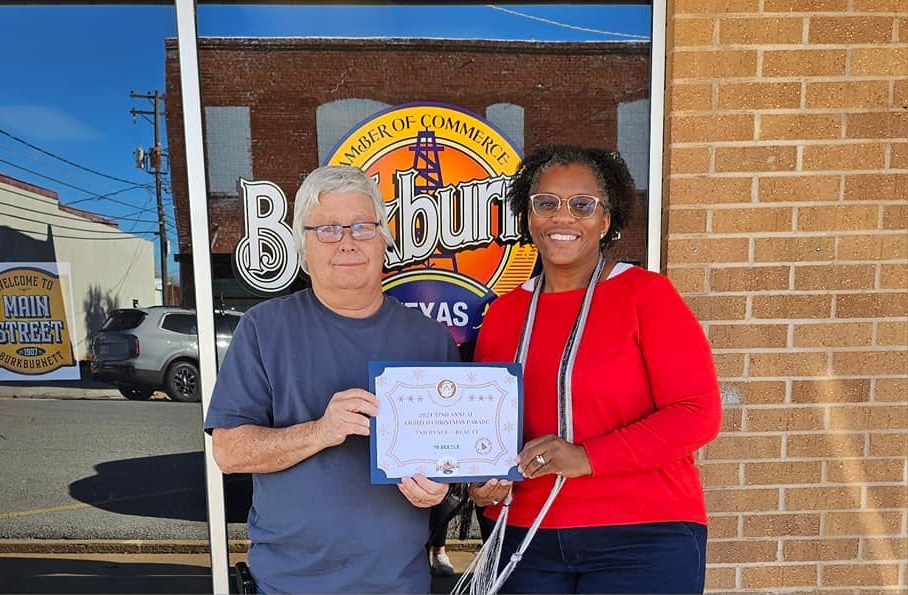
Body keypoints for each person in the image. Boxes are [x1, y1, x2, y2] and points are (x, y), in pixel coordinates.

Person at [468, 146, 721, 594]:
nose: (562, 218)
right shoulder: (504, 314)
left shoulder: (646, 296)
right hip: (523, 536)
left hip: (642, 534)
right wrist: (480, 484)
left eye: (582, 205)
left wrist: (587, 457)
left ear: (605, 221)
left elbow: (697, 412)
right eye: (546, 203)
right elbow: (485, 428)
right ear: (528, 217)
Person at [205, 166, 460, 593]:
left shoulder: (429, 340)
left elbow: (453, 457)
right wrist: (321, 431)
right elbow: (230, 452)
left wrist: (440, 488)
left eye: (362, 226)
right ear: (303, 245)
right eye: (327, 229)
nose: (347, 242)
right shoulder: (263, 328)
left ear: (383, 238)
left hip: (400, 584)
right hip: (288, 585)